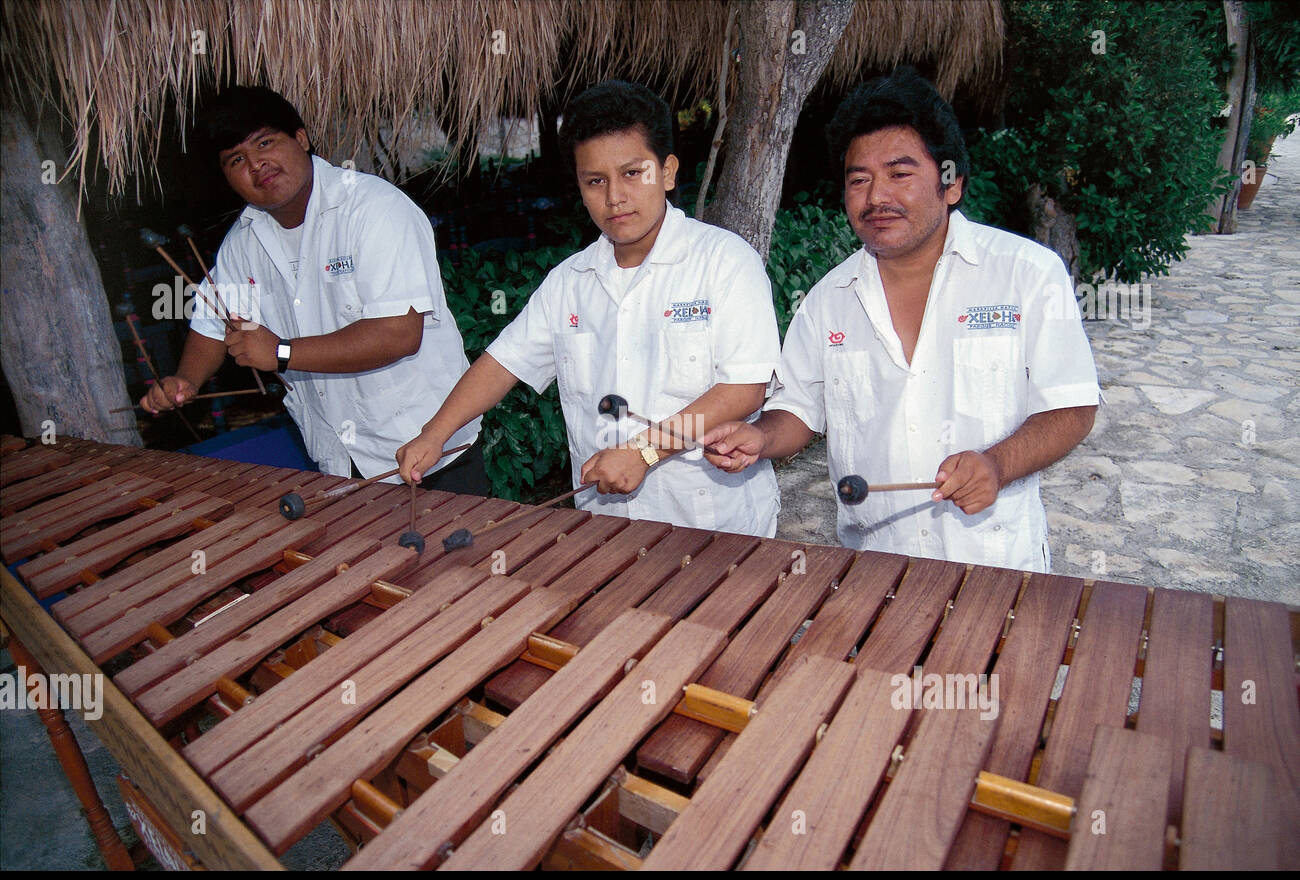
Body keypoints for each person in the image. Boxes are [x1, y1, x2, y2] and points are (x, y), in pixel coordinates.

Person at [703, 67, 1099, 572]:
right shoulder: (829, 300)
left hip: (997, 564)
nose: (876, 197)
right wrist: (760, 438)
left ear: (950, 183)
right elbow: (798, 409)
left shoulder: (1026, 275)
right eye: (859, 180)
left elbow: (1073, 408)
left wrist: (997, 465)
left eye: (899, 174)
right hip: (874, 567)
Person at [397, 80, 781, 536]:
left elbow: (743, 391)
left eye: (633, 173)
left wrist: (645, 451)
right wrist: (435, 433)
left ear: (669, 171)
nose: (614, 196)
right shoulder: (568, 282)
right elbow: (503, 364)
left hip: (717, 526)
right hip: (606, 528)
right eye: (595, 181)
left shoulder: (725, 262)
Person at [141, 86, 486, 493]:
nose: (256, 165)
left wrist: (280, 353)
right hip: (338, 460)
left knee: (456, 557)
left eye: (265, 143)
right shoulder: (243, 241)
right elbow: (216, 323)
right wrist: (186, 380)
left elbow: (398, 334)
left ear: (301, 138)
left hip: (429, 450)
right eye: (237, 160)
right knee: (360, 558)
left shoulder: (374, 209)